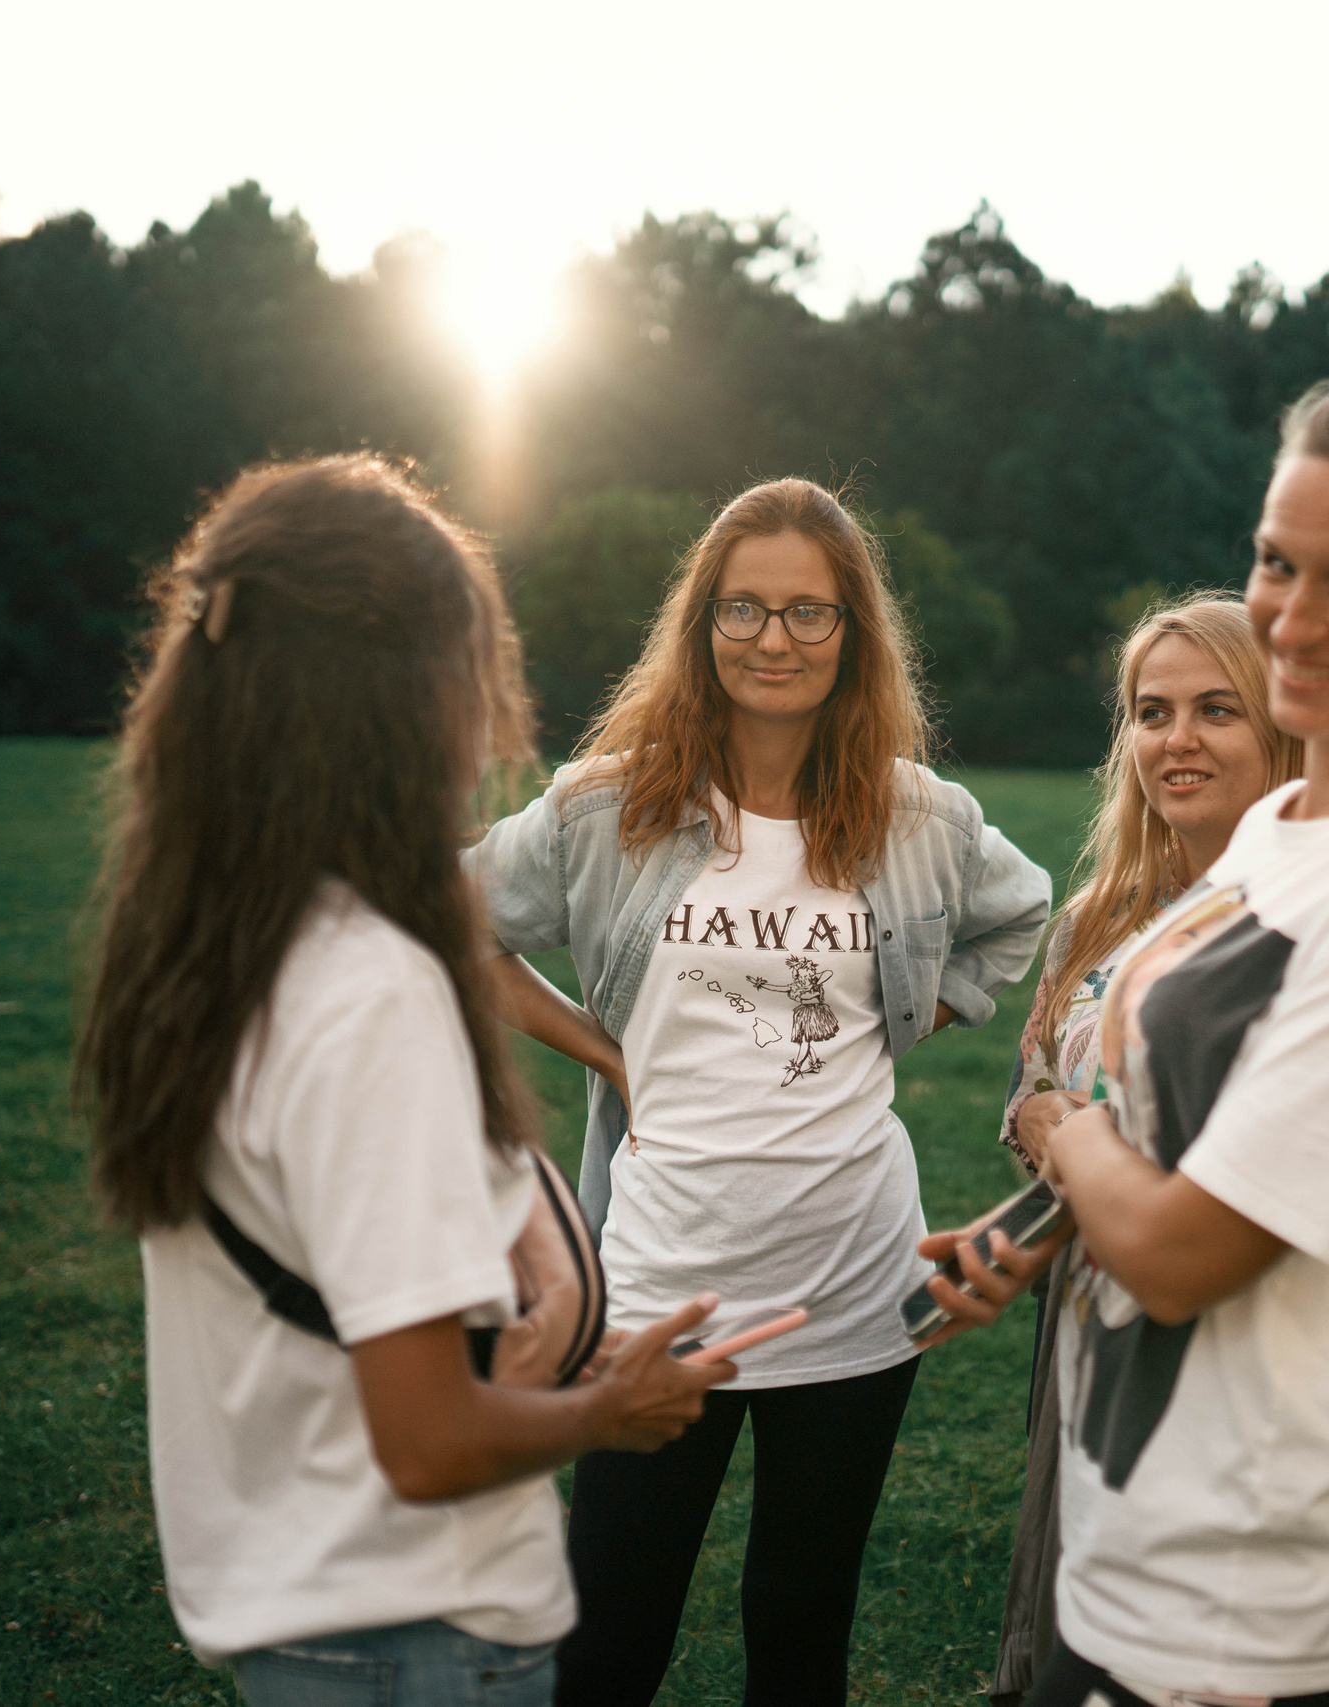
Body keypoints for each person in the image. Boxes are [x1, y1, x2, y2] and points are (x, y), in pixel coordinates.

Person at [921, 335, 1329, 1707]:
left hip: (1260, 1583)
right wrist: (1040, 1233)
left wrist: (1064, 1138)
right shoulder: (1282, 819)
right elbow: (1186, 1125)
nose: (1295, 618)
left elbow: (1186, 1254)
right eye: (1279, 561)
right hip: (1135, 1512)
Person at [74, 457, 734, 1706]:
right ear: (392, 695)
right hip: (415, 1638)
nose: (487, 725)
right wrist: (615, 1409)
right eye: (472, 674)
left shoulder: (212, 950)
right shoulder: (370, 991)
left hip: (299, 1623)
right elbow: (430, 1443)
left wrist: (530, 1338)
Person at [462, 476, 1051, 1705]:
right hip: (661, 1275)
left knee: (800, 1625)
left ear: (852, 636)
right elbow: (446, 919)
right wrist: (608, 1053)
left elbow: (1020, 911)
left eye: (807, 613)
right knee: (610, 1633)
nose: (772, 639)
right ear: (702, 625)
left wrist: (907, 1017)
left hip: (852, 1278)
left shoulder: (916, 816)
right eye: (742, 609)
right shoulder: (607, 806)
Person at [987, 594, 1302, 1707]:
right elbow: (1035, 1087)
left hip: (1221, 1337)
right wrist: (1047, 1133)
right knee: (1070, 1603)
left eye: (1217, 709)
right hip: (1077, 1312)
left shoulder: (1294, 923)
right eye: (1150, 711)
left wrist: (1077, 1142)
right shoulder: (1096, 916)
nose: (1177, 740)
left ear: (1280, 728)